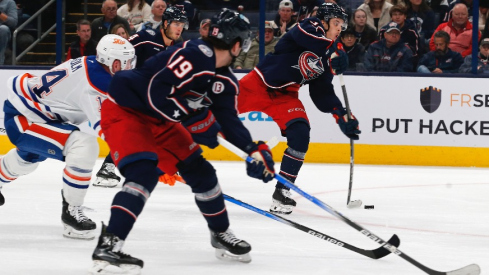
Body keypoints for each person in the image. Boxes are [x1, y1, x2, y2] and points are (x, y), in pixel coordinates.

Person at [88, 9, 275, 273]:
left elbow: (229, 122)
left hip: (161, 119)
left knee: (202, 173)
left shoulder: (225, 81)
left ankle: (220, 233)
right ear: (237, 45)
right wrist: (195, 120)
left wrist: (253, 151)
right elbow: (156, 91)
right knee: (143, 173)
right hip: (127, 110)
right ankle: (109, 245)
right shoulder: (195, 54)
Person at [0, 34, 136, 239]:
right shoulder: (97, 83)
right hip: (25, 118)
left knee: (26, 161)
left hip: (35, 115)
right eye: (127, 61)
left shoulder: (92, 63)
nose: (131, 66)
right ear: (115, 63)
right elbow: (108, 128)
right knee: (84, 146)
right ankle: (72, 213)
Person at [238, 3, 360, 215]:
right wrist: (331, 54)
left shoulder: (331, 50)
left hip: (286, 96)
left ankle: (282, 191)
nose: (341, 28)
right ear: (324, 21)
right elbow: (308, 40)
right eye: (336, 23)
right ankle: (176, 150)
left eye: (343, 24)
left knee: (300, 134)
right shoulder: (309, 26)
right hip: (257, 84)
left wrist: (339, 113)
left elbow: (321, 92)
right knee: (213, 116)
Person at [0, 0, 17, 65]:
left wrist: (0, 14)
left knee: (3, 29)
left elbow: (13, 22)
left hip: (2, 31)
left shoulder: (10, 3)